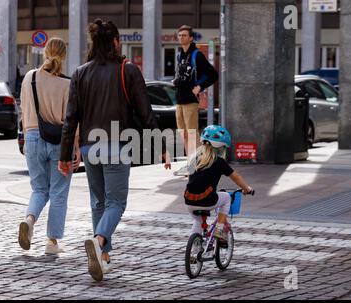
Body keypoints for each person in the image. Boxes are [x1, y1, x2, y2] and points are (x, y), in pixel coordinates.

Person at [58, 19, 171, 282]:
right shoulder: (127, 69)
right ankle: (99, 242)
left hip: (88, 146)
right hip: (116, 145)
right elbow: (146, 112)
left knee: (99, 202)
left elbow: (70, 118)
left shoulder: (80, 72)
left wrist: (64, 155)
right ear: (116, 42)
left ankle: (104, 257)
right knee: (116, 203)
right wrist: (161, 146)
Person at [18, 38, 81, 255]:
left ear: (45, 52)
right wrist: (77, 147)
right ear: (64, 56)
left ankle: (29, 220)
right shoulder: (67, 84)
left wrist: (27, 137)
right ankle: (52, 243)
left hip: (33, 138)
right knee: (58, 193)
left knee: (39, 189)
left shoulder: (29, 78)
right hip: (60, 143)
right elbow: (72, 120)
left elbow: (23, 111)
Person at [184, 125, 253, 242]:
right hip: (207, 200)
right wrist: (246, 188)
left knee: (198, 221)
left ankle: (194, 255)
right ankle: (219, 230)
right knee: (226, 197)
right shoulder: (219, 161)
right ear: (221, 147)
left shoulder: (193, 158)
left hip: (189, 200)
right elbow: (235, 177)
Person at [173, 25, 218, 177]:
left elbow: (212, 74)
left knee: (192, 134)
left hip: (190, 101)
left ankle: (197, 165)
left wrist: (199, 87)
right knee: (184, 135)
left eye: (184, 35)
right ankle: (190, 165)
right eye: (179, 35)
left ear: (191, 38)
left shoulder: (196, 54)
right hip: (179, 99)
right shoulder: (180, 54)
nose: (181, 38)